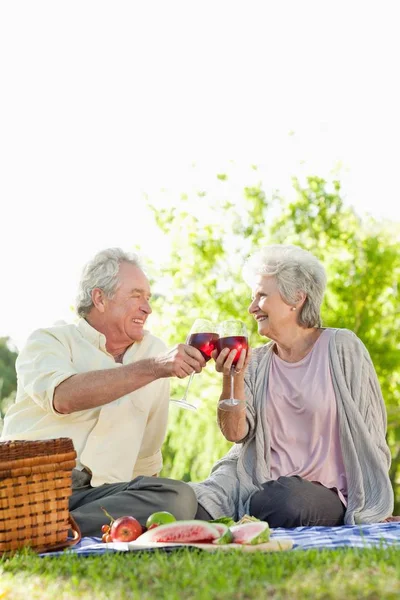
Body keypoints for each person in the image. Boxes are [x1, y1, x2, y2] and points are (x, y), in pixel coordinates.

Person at [1, 248, 205, 536]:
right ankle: (36, 524)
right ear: (100, 298)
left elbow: (146, 456)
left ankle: (54, 530)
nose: (147, 308)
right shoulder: (49, 341)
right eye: (136, 296)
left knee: (179, 498)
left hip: (99, 497)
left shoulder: (154, 352)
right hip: (32, 486)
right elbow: (64, 397)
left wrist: (145, 501)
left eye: (148, 298)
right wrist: (154, 367)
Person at [192, 244, 395, 527]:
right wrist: (232, 377)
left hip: (322, 493)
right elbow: (235, 433)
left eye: (261, 296)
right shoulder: (257, 361)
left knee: (282, 500)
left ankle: (245, 516)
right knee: (191, 504)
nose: (252, 308)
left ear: (296, 298)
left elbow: (371, 432)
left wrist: (374, 499)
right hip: (253, 481)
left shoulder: (342, 348)